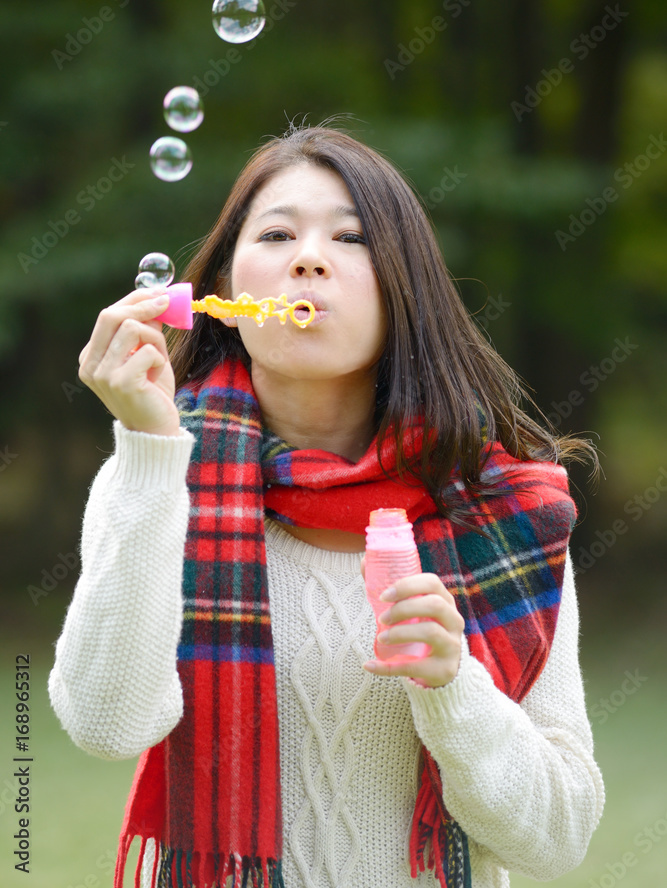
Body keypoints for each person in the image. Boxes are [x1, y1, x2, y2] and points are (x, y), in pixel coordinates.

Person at [49, 123, 605, 888]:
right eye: (276, 233)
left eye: (351, 239)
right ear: (221, 293)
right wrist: (147, 448)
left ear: (405, 291)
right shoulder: (158, 479)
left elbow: (558, 839)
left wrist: (454, 685)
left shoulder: (501, 512)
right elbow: (106, 724)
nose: (308, 257)